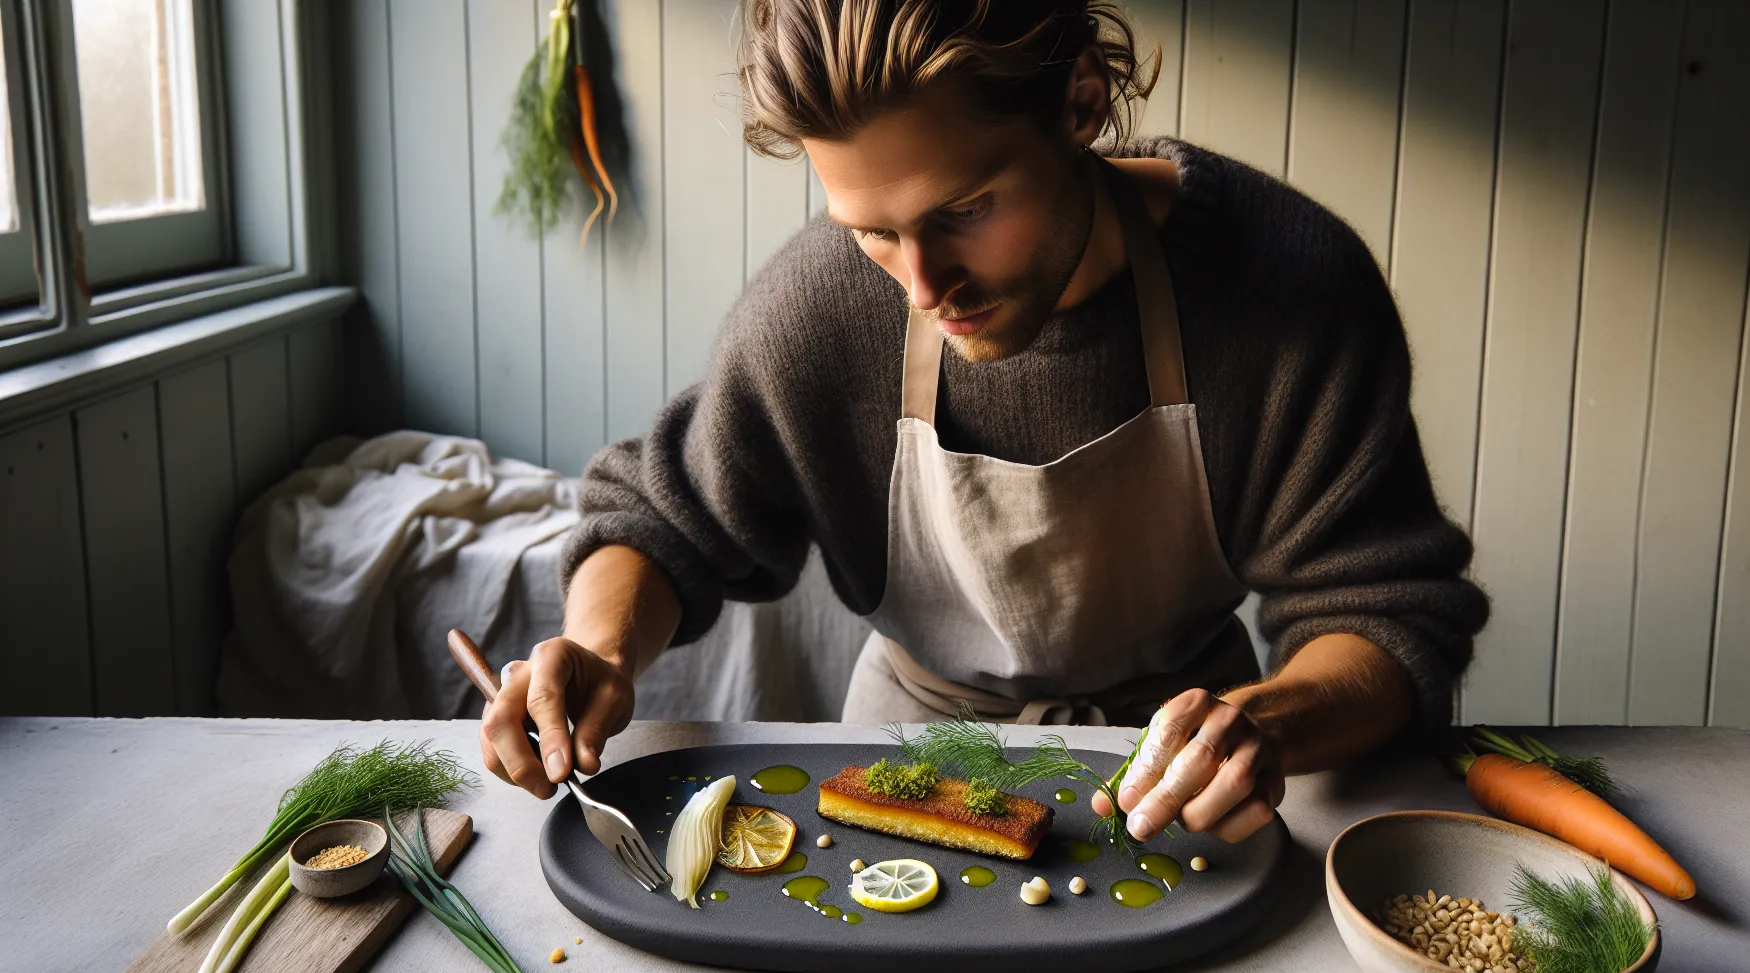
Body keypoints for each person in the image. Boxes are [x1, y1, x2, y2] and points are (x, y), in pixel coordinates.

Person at [481, 0, 1488, 844]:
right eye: (874, 232)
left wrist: (1263, 723)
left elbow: (1386, 619)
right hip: (899, 772)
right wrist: (601, 649)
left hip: (1183, 789)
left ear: (1081, 101)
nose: (923, 285)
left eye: (964, 209)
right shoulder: (818, 311)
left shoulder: (1294, 288)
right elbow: (664, 524)